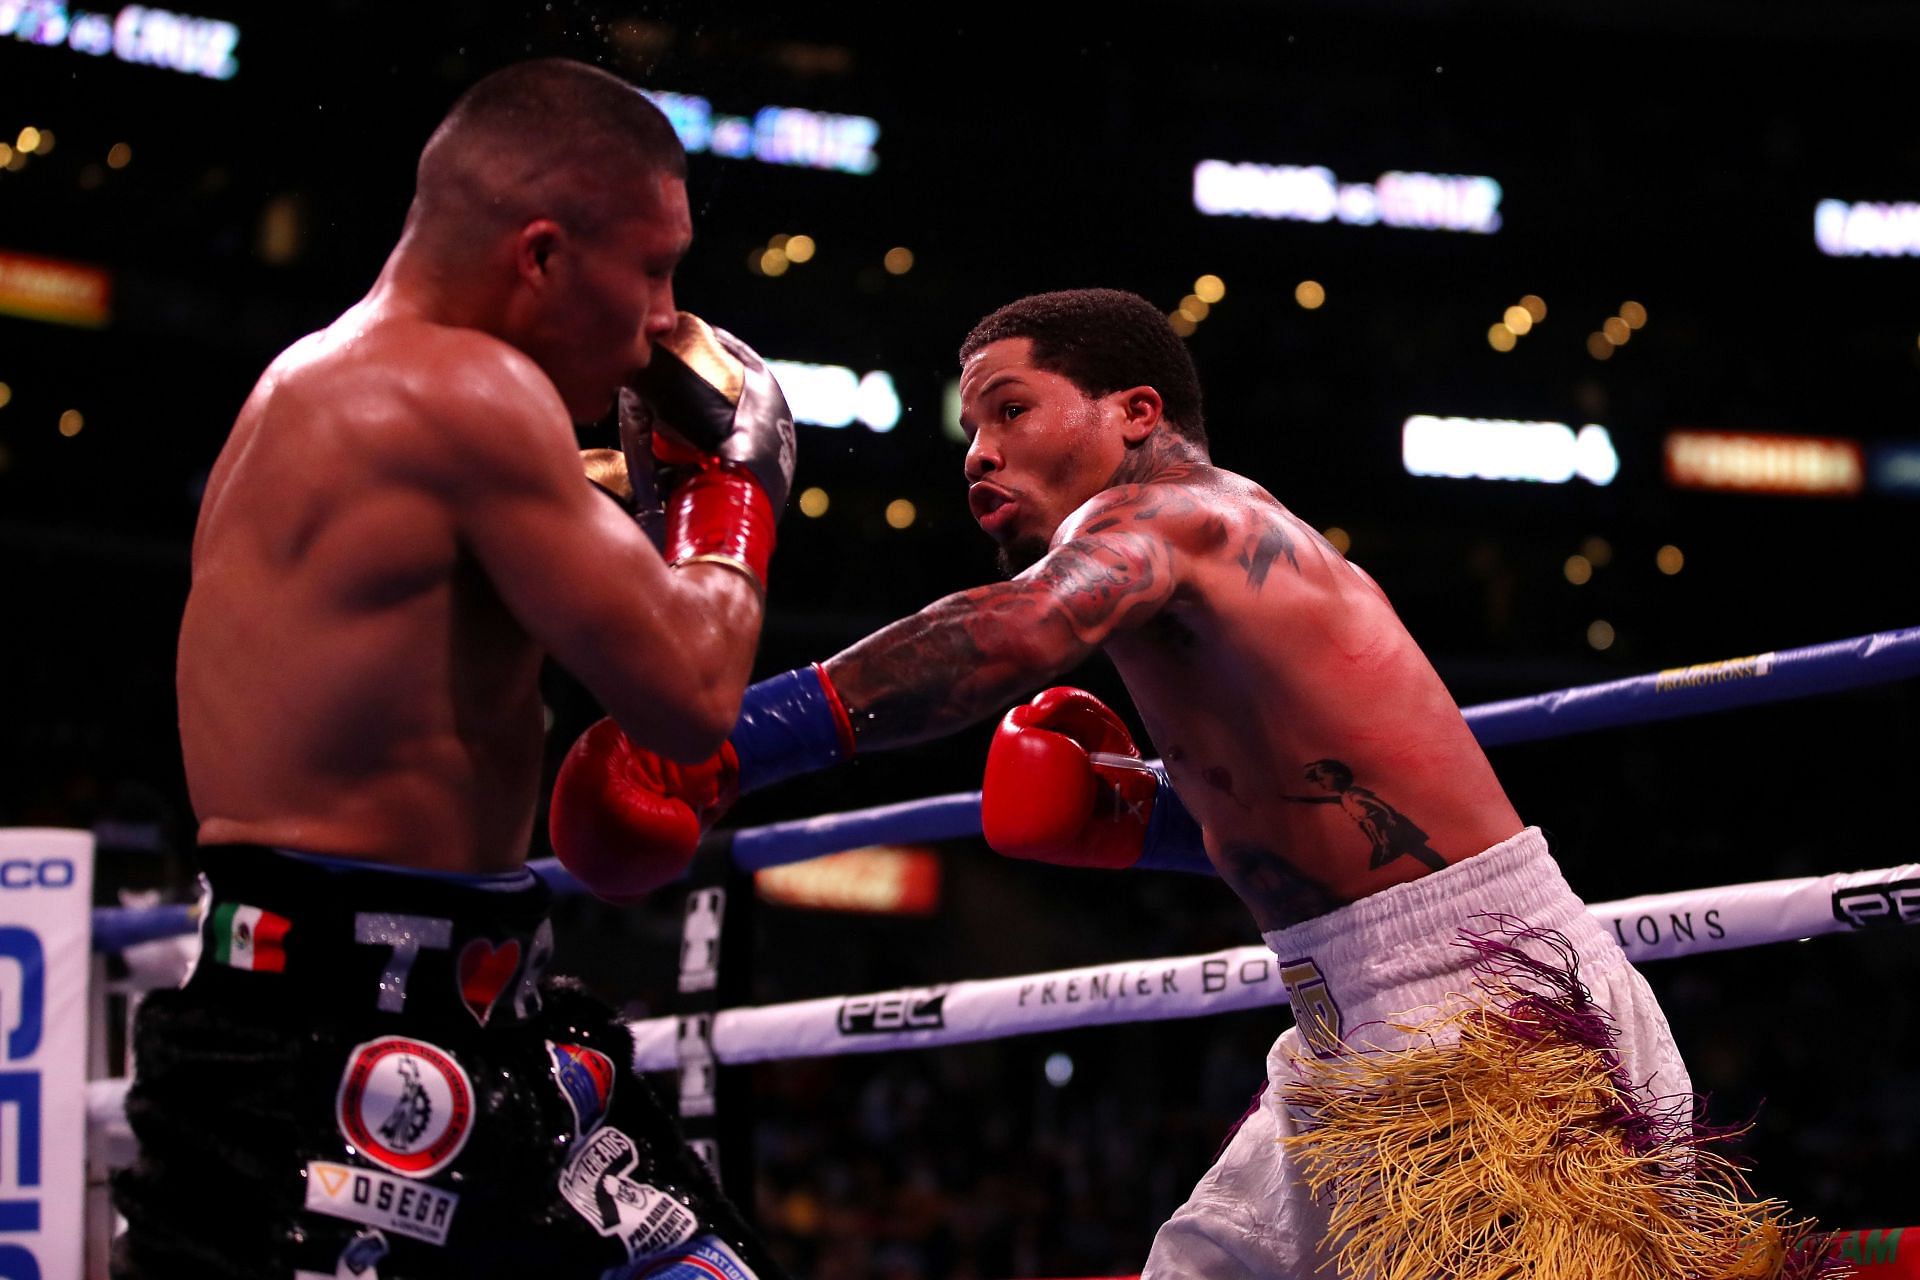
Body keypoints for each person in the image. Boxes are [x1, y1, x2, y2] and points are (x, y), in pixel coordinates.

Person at [553, 288, 1827, 1279]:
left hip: (1492, 1022)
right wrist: (1139, 817)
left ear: (1137, 413)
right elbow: (1336, 823)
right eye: (970, 424)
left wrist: (727, 739)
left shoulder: (1179, 520)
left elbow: (1003, 633)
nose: (976, 450)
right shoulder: (1193, 589)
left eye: (1012, 408)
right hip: (1360, 1023)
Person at [116, 58, 797, 1280]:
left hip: (455, 1009)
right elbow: (691, 697)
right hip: (338, 1054)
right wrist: (737, 482)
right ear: (539, 254)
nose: (666, 318)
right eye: (651, 268)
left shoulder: (338, 380)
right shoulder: (460, 392)